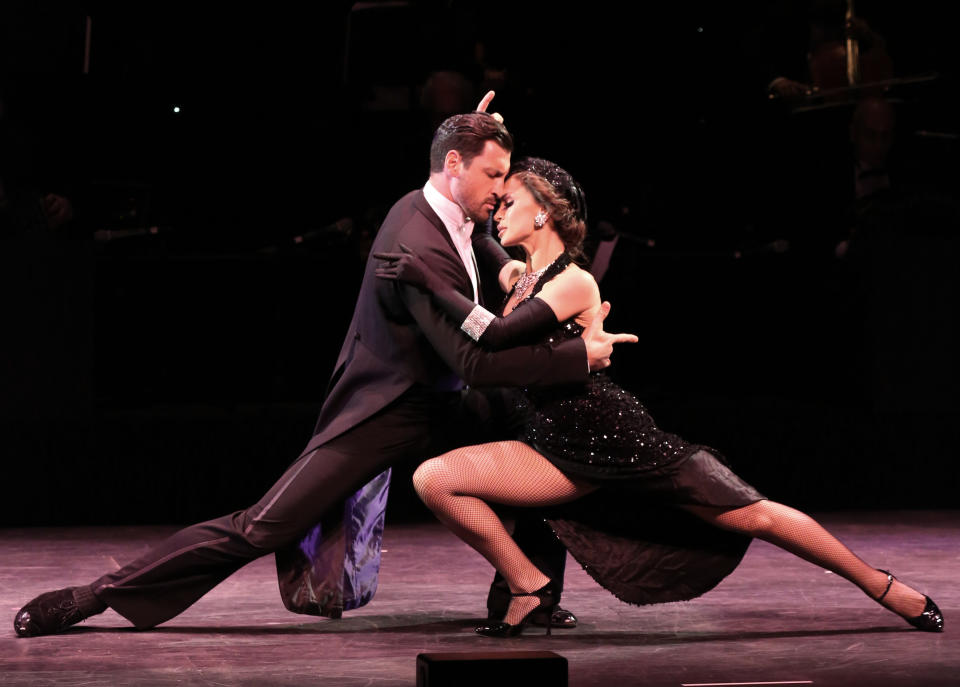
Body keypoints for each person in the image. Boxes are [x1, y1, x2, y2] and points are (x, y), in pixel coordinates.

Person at [12, 101, 633, 637]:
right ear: (452, 168)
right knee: (261, 526)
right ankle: (95, 596)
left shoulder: (446, 205)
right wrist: (574, 355)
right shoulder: (411, 242)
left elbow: (475, 228)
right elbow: (475, 356)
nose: (502, 191)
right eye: (493, 175)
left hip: (441, 401)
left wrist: (499, 252)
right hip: (388, 410)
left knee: (545, 446)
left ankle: (531, 596)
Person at [375, 156, 944, 637]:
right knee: (434, 479)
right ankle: (528, 585)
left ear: (543, 212)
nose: (498, 209)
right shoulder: (520, 275)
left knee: (755, 515)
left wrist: (430, 282)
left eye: (509, 201)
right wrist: (467, 156)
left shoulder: (573, 280)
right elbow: (475, 233)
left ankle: (881, 585)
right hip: (554, 449)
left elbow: (495, 336)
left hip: (620, 439)